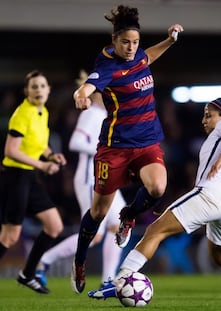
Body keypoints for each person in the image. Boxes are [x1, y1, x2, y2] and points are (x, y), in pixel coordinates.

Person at [89, 98, 221, 303]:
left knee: (155, 231)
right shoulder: (220, 139)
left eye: (208, 115)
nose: (203, 120)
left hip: (210, 196)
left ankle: (119, 282)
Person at [71, 3, 184, 294]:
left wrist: (170, 41)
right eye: (126, 43)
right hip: (115, 148)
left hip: (146, 142)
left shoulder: (138, 57)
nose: (132, 47)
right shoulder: (107, 66)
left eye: (135, 42)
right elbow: (89, 85)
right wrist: (81, 94)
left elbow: (148, 57)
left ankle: (128, 217)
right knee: (97, 213)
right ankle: (80, 262)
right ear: (114, 41)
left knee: (158, 188)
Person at [35, 71, 126, 287]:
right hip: (90, 179)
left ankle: (107, 281)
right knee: (96, 235)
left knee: (118, 225)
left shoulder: (106, 116)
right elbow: (75, 142)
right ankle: (44, 261)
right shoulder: (92, 113)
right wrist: (103, 151)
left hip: (105, 177)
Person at [0, 70, 67, 297]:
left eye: (42, 86)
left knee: (54, 226)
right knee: (10, 236)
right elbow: (11, 150)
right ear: (27, 91)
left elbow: (40, 144)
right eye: (34, 87)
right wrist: (43, 166)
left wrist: (51, 156)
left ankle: (27, 275)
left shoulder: (43, 111)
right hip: (14, 177)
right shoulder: (23, 114)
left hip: (29, 177)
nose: (39, 90)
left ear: (48, 89)